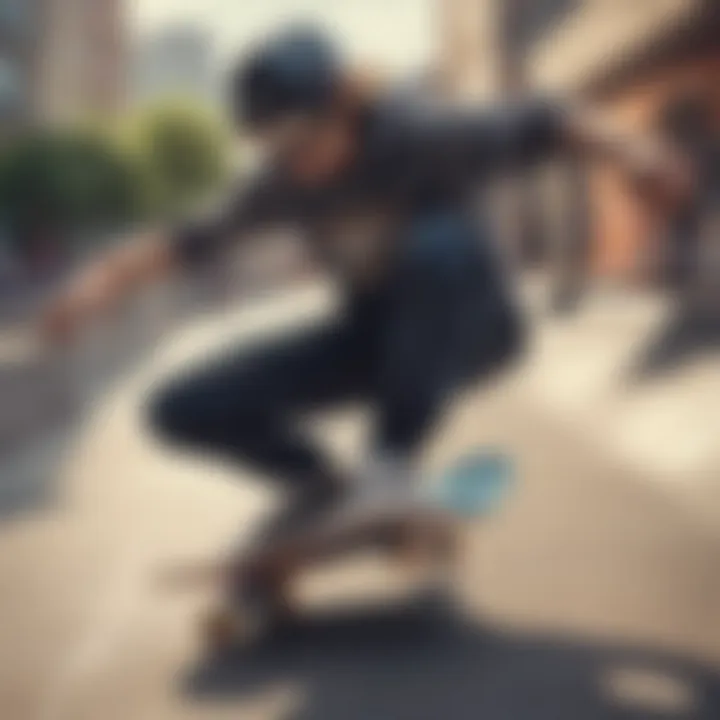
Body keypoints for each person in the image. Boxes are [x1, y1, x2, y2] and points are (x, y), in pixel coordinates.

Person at [42, 26, 690, 595]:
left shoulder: (422, 135)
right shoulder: (280, 184)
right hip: (373, 343)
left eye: (301, 135)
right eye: (270, 142)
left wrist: (636, 154)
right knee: (177, 407)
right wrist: (97, 284)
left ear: (345, 105)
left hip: (476, 327)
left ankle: (388, 466)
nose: (293, 158)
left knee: (439, 244)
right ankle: (324, 489)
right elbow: (186, 241)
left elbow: (549, 118)